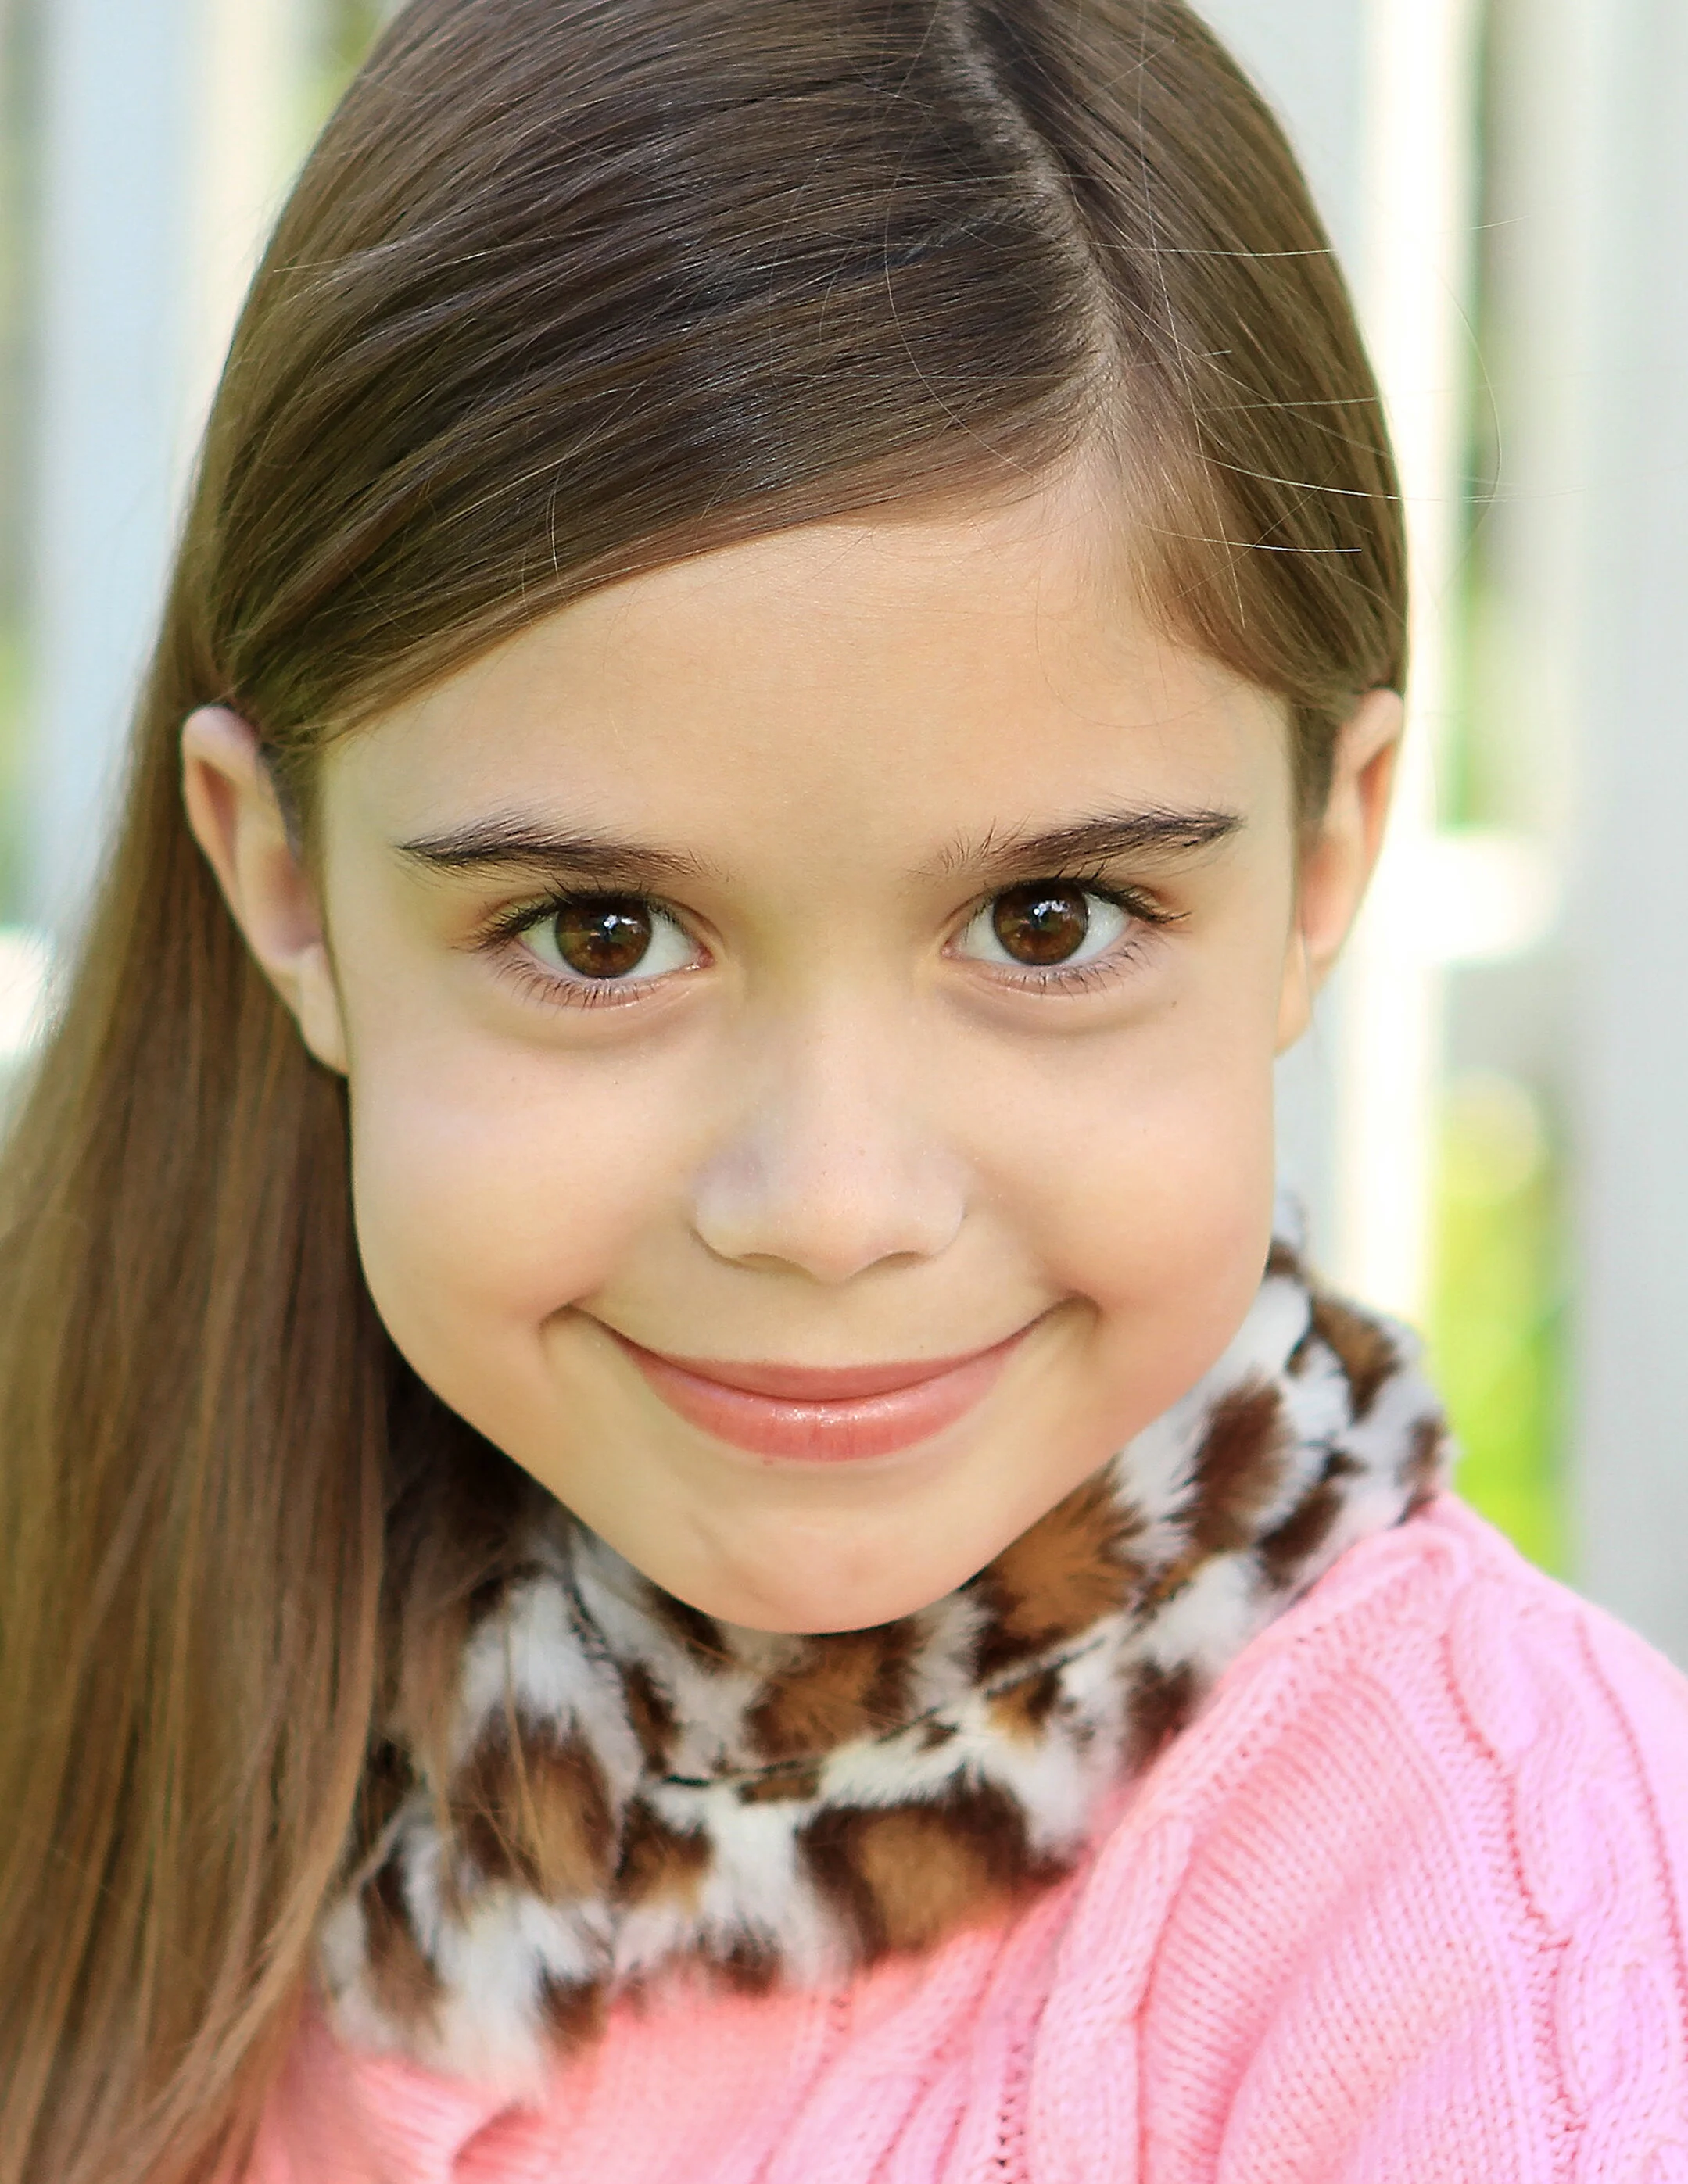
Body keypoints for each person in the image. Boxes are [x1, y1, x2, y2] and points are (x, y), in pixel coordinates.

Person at [4, 0, 1686, 2177]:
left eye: (1048, 923)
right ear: (289, 890)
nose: (826, 1205)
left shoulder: (1484, 1939)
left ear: (1321, 864)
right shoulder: (101, 1680)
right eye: (600, 932)